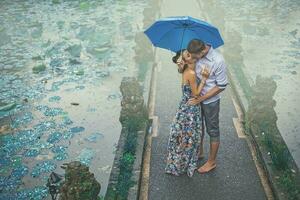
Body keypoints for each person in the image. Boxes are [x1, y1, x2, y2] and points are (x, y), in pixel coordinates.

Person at [185, 39, 228, 174]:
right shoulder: (196, 53)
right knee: (199, 127)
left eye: (195, 56)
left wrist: (201, 99)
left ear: (203, 50)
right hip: (196, 97)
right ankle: (200, 152)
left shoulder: (218, 61)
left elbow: (221, 86)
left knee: (213, 130)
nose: (194, 58)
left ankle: (211, 162)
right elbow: (186, 67)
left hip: (211, 102)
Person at [164, 49, 210, 177]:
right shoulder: (190, 73)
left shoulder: (184, 71)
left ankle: (178, 161)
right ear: (186, 60)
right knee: (190, 135)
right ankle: (184, 162)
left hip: (183, 106)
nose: (192, 55)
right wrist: (205, 79)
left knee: (182, 134)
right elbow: (196, 94)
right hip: (191, 109)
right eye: (188, 55)